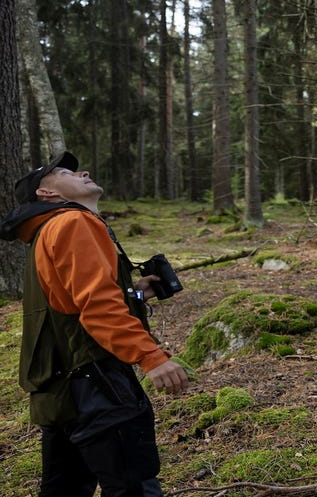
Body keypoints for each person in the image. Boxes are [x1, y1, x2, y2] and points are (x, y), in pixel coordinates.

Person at [0, 151, 190, 497]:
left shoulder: (46, 231)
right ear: (46, 193)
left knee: (65, 489)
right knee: (134, 487)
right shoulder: (74, 222)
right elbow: (97, 308)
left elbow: (66, 304)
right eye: (64, 172)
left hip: (59, 390)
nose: (82, 171)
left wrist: (133, 294)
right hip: (97, 385)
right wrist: (151, 357)